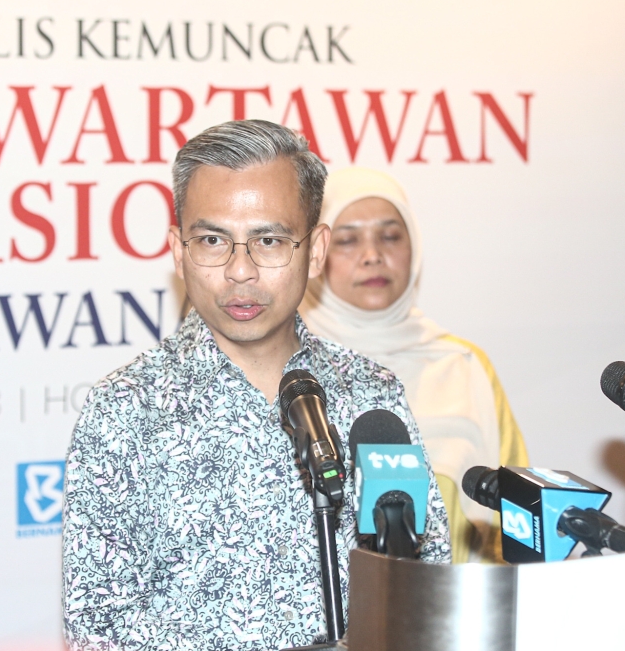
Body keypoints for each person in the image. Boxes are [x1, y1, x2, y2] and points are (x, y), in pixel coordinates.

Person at [62, 120, 450, 651]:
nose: (240, 271)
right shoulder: (126, 411)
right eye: (212, 240)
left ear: (314, 251)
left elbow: (425, 577)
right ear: (178, 250)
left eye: (268, 240)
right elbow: (97, 627)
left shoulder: (371, 397)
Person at [299, 166, 528, 563]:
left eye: (389, 236)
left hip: (447, 615)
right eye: (348, 240)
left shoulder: (462, 366)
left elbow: (518, 523)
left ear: (414, 246)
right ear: (318, 253)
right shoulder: (294, 373)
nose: (373, 256)